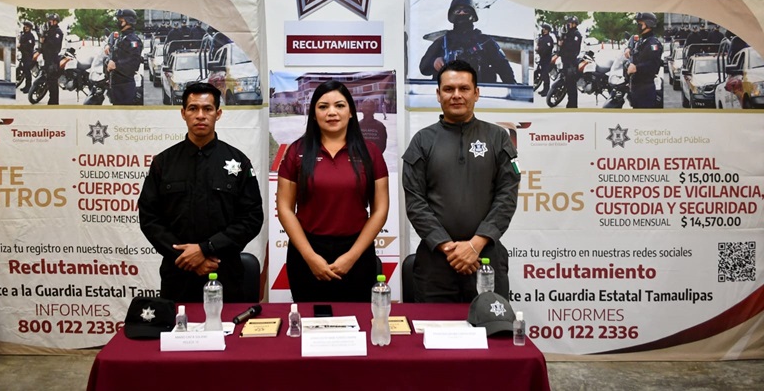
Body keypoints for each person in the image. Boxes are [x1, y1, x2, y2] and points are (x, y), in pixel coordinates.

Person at [402, 60, 521, 302]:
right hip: (435, 264)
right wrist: (449, 248)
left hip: (486, 259)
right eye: (449, 89)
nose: (456, 95)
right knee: (432, 327)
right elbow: (415, 202)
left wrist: (474, 245)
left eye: (464, 88)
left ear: (476, 93)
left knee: (491, 325)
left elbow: (506, 197)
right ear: (438, 94)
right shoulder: (422, 141)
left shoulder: (498, 137)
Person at [138, 82, 264, 302]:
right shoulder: (164, 163)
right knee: (178, 325)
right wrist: (185, 256)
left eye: (207, 109)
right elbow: (150, 218)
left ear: (218, 114)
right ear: (183, 113)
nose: (200, 115)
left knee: (227, 325)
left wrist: (207, 249)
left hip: (224, 272)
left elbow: (251, 218)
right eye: (193, 108)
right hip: (178, 274)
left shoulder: (238, 162)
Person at [276, 80, 389, 302]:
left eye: (339, 105)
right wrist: (310, 257)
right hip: (307, 253)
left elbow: (380, 210)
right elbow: (285, 208)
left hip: (357, 253)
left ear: (351, 112)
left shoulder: (371, 152)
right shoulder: (296, 151)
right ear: (313, 114)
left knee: (357, 320)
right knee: (310, 320)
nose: (332, 112)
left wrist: (352, 256)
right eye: (323, 106)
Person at [419, 0, 516, 84]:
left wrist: (514, 89)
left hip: (480, 92)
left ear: (473, 16)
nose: (462, 14)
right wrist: (434, 62)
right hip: (449, 91)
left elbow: (503, 67)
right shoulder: (442, 42)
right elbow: (423, 67)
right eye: (458, 11)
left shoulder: (485, 42)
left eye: (466, 11)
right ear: (452, 16)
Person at [107, 9, 143, 105]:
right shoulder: (122, 38)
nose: (118, 22)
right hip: (117, 83)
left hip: (125, 85)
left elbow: (134, 63)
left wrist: (116, 65)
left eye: (121, 20)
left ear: (128, 21)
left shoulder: (133, 40)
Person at [628, 12, 663, 108]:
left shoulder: (653, 44)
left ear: (648, 24)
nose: (638, 26)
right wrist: (629, 50)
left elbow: (653, 64)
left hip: (645, 89)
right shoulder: (641, 41)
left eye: (640, 24)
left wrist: (637, 68)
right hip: (636, 87)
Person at [558, 16, 582, 108]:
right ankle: (570, 103)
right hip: (566, 61)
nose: (568, 25)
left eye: (570, 23)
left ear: (574, 24)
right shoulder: (567, 33)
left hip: (571, 62)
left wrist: (564, 43)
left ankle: (573, 105)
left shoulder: (576, 34)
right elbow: (562, 47)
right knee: (568, 84)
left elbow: (573, 47)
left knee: (571, 85)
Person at [41, 13, 64, 104]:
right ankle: (51, 100)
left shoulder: (58, 32)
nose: (49, 22)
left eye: (51, 20)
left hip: (53, 61)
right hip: (47, 59)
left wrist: (45, 39)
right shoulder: (49, 31)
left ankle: (54, 102)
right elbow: (45, 46)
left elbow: (55, 45)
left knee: (53, 82)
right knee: (49, 82)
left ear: (55, 21)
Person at [536, 23, 555, 96]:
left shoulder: (549, 39)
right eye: (543, 29)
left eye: (545, 29)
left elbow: (548, 49)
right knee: (542, 73)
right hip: (541, 58)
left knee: (545, 73)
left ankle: (546, 90)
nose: (543, 30)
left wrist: (542, 53)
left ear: (548, 30)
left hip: (546, 59)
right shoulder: (541, 38)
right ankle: (544, 89)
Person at [17, 21, 37, 92]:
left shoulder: (30, 36)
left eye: (27, 27)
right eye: (25, 26)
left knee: (27, 71)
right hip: (23, 55)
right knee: (24, 70)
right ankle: (26, 85)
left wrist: (21, 46)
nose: (26, 28)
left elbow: (29, 46)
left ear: (30, 28)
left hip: (28, 56)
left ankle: (28, 87)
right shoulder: (23, 35)